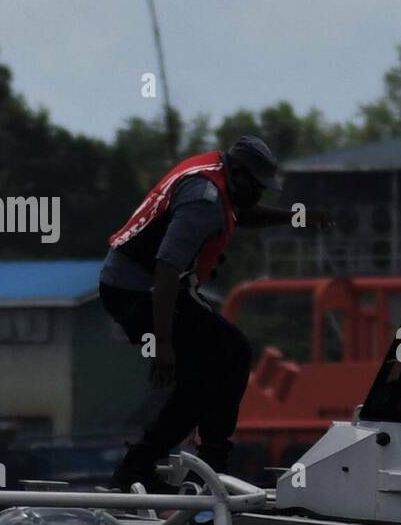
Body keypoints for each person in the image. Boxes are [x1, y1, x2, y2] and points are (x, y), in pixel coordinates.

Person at [100, 136, 330, 490]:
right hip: (138, 290)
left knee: (222, 359)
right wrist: (163, 346)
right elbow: (165, 266)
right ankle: (188, 462)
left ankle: (171, 462)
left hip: (151, 287)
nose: (258, 197)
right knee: (221, 361)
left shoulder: (215, 177)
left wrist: (296, 218)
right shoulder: (203, 201)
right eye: (256, 188)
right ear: (237, 174)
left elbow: (239, 213)